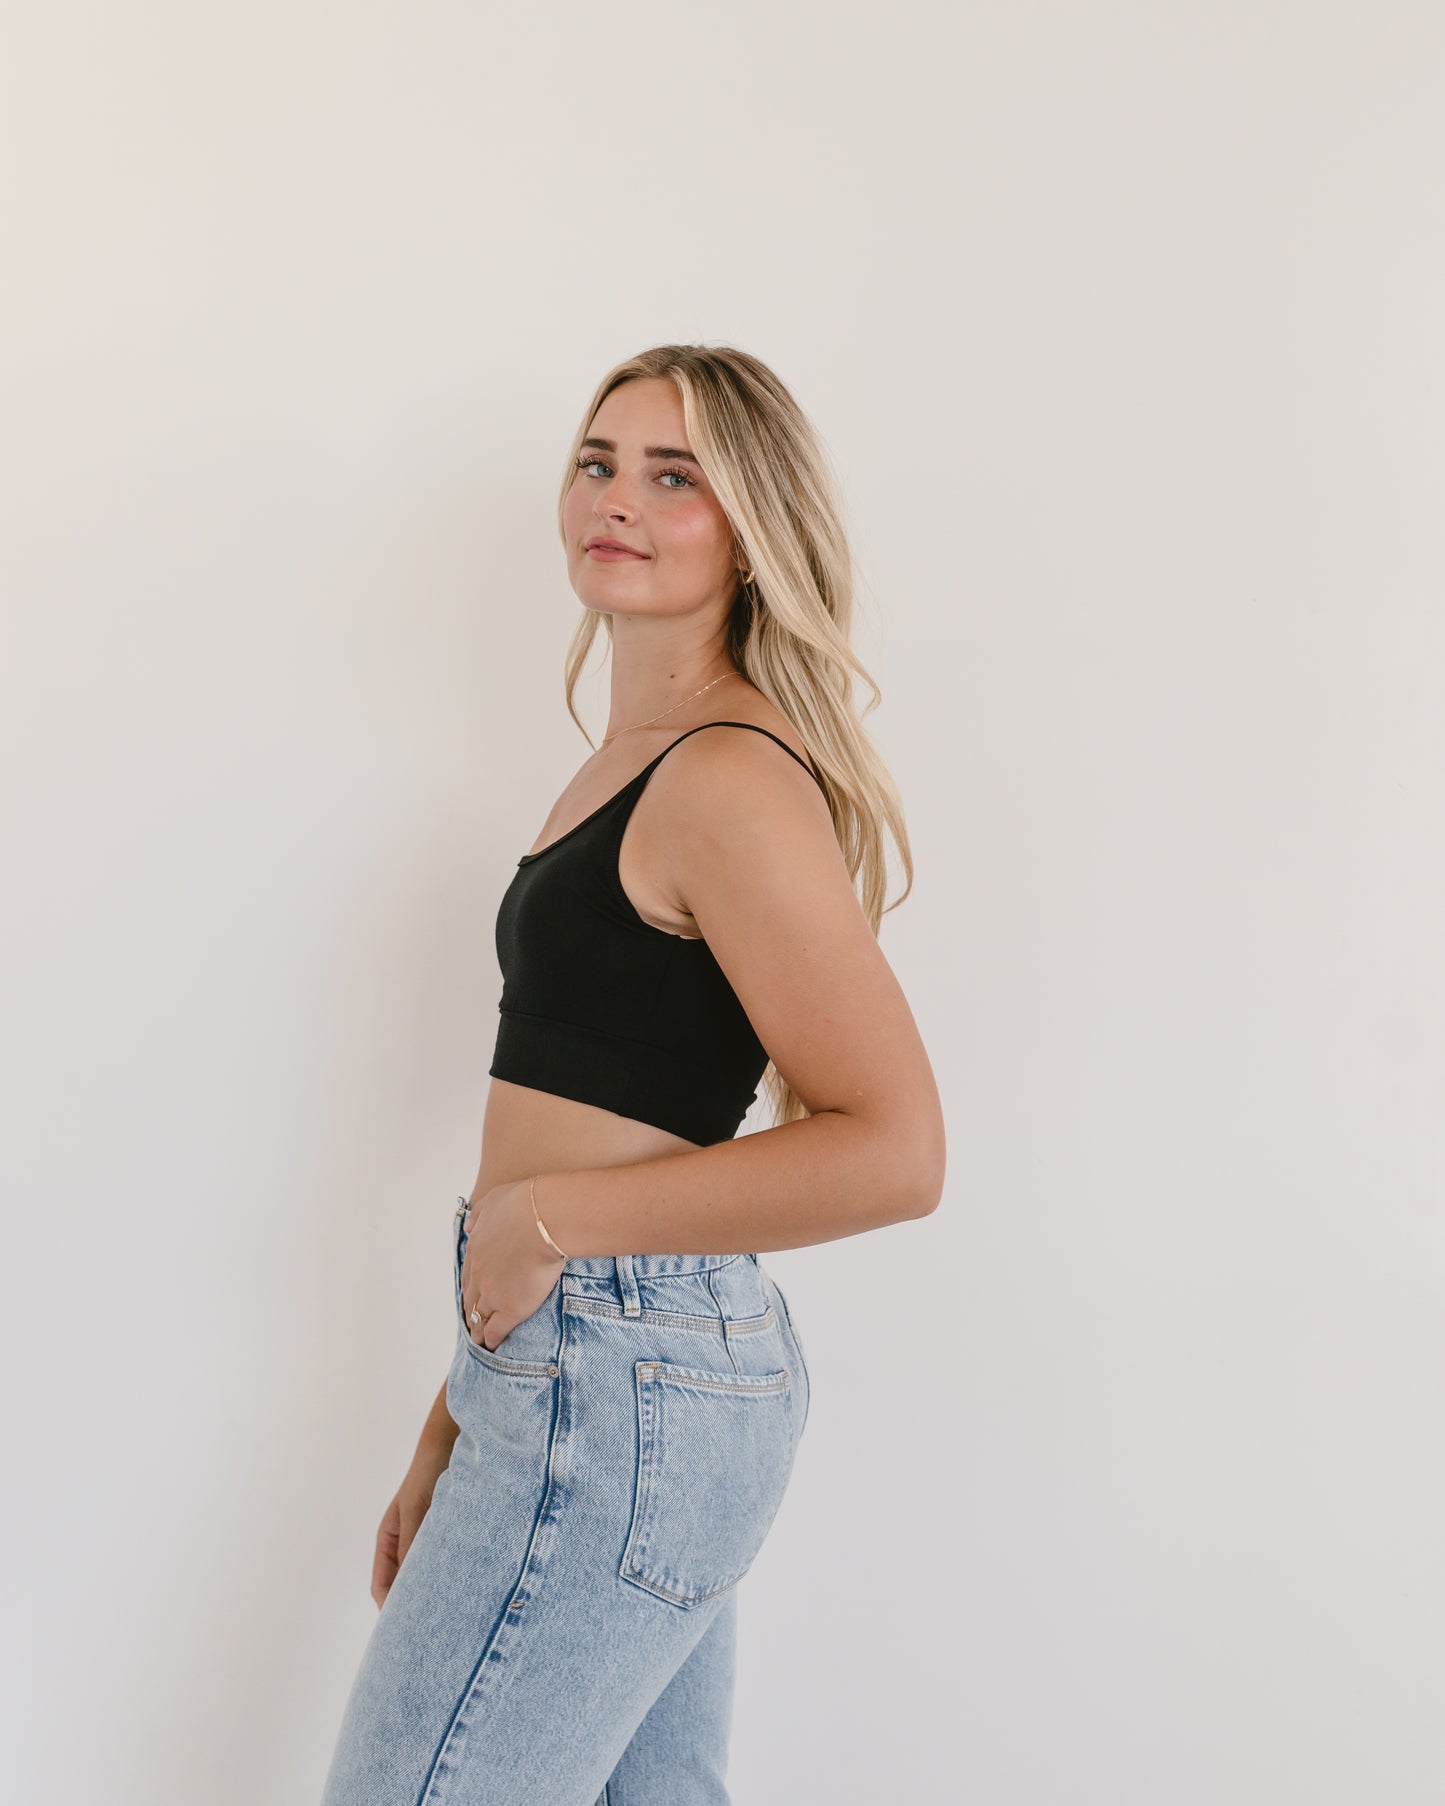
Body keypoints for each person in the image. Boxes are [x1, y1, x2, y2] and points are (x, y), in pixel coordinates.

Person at [319, 344, 946, 1805]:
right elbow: (572, 1125)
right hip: (598, 1369)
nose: (618, 498)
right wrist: (460, 1411)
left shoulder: (723, 777)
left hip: (622, 1374)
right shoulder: (631, 759)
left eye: (676, 476)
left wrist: (539, 1229)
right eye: (599, 461)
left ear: (751, 527)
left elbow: (896, 1148)